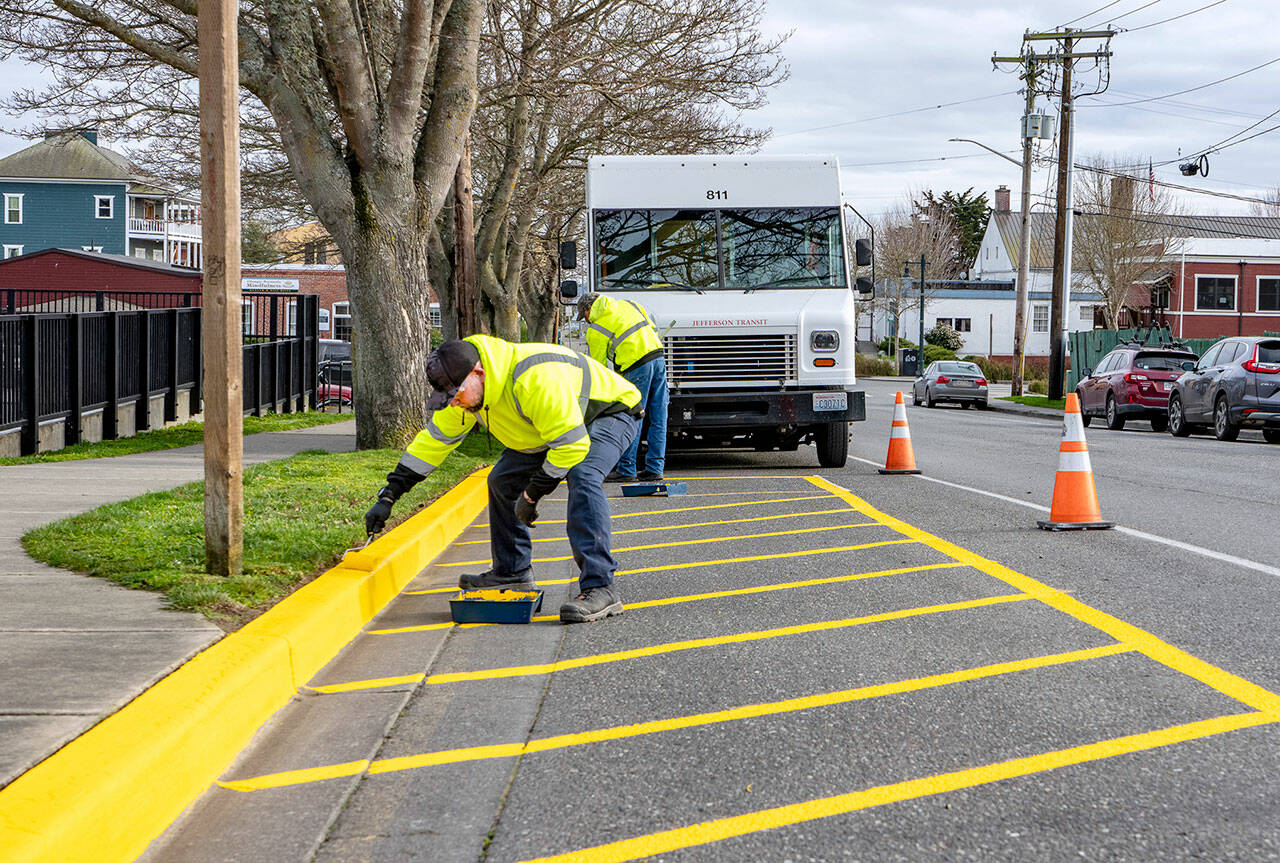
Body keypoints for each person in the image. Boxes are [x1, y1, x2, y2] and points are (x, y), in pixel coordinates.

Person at [363, 336, 641, 623]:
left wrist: (531, 495)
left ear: (479, 374)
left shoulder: (533, 380)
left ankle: (600, 586)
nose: (455, 404)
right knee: (501, 481)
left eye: (456, 396)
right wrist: (388, 495)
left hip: (608, 412)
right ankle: (512, 572)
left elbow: (572, 445)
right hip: (553, 426)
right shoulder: (469, 394)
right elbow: (431, 445)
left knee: (583, 476)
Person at [578, 292, 668, 483]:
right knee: (659, 416)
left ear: (589, 309)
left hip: (635, 367)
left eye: (584, 316)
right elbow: (651, 328)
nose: (586, 321)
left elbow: (599, 368)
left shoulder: (596, 330)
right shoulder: (630, 304)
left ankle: (627, 468)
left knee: (633, 417)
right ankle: (655, 468)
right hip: (659, 358)